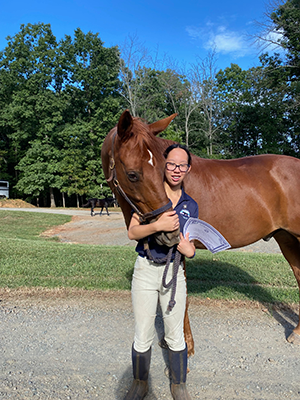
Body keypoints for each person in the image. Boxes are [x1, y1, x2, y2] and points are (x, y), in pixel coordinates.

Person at [125, 143, 199, 400]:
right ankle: (139, 383)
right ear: (163, 165)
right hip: (145, 269)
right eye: (171, 164)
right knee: (143, 331)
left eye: (181, 165)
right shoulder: (148, 194)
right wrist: (158, 224)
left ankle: (179, 385)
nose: (176, 169)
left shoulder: (191, 205)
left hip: (174, 272)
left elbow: (190, 248)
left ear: (188, 169)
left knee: (174, 333)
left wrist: (184, 245)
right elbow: (132, 232)